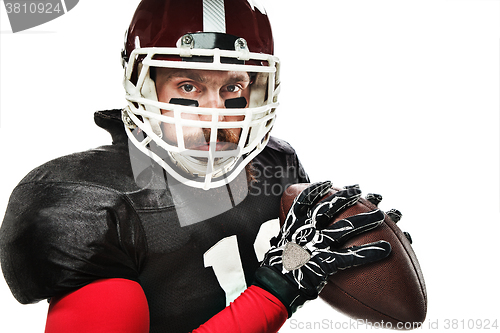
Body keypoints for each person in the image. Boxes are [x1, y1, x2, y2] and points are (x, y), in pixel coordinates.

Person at [0, 1, 391, 332]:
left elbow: (290, 261)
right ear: (144, 84)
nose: (214, 114)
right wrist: (274, 293)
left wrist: (327, 248)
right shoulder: (88, 200)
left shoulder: (276, 163)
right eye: (188, 86)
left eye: (232, 88)